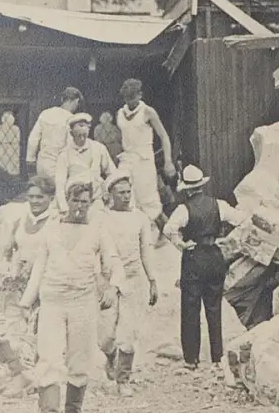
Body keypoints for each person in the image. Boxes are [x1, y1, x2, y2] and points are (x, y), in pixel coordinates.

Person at [19, 181, 126, 413]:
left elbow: (114, 262)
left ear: (91, 203)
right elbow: (39, 267)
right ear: (67, 201)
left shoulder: (97, 230)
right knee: (49, 359)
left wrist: (113, 286)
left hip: (82, 303)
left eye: (85, 202)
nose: (80, 207)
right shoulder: (52, 229)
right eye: (76, 201)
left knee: (79, 360)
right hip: (53, 301)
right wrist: (26, 302)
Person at [162, 165, 246, 370]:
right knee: (214, 307)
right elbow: (241, 220)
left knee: (191, 308)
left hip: (194, 256)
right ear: (201, 186)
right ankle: (217, 357)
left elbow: (168, 229)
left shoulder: (184, 209)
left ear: (187, 189)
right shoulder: (219, 205)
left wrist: (181, 245)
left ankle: (192, 359)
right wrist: (227, 241)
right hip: (215, 256)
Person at [0, 177, 58, 394]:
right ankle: (20, 374)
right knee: (17, 328)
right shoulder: (21, 219)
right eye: (31, 196)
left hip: (46, 280)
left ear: (50, 198)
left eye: (40, 197)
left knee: (40, 330)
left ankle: (39, 377)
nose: (35, 201)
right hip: (21, 281)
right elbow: (9, 248)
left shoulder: (56, 221)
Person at [98, 169, 158, 395]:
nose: (125, 196)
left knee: (128, 333)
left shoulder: (140, 218)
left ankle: (123, 380)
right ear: (110, 194)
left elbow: (146, 250)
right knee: (105, 335)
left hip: (134, 279)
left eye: (127, 191)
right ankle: (110, 357)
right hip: (108, 281)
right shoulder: (102, 218)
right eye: (120, 192)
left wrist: (152, 280)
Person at [116, 79, 175, 233]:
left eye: (132, 97)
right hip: (127, 160)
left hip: (144, 162)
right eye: (127, 98)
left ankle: (171, 236)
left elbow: (164, 136)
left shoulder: (148, 112)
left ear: (140, 95)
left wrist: (168, 161)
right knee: (126, 197)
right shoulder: (120, 114)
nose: (130, 101)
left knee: (149, 202)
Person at [54, 113, 115, 215]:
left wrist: (109, 195)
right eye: (78, 135)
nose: (82, 138)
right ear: (71, 133)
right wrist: (63, 207)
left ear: (89, 130)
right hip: (74, 200)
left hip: (96, 198)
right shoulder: (64, 154)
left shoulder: (99, 148)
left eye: (84, 134)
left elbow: (112, 173)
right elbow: (60, 183)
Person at [26, 88, 83, 181]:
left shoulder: (45, 113)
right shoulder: (70, 119)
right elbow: (70, 146)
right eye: (77, 104)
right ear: (75, 101)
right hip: (58, 166)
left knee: (42, 193)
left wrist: (30, 161)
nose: (76, 107)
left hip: (42, 165)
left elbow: (33, 139)